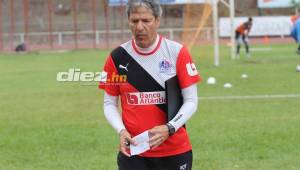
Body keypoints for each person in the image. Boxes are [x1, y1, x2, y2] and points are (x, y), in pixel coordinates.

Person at [99, 0, 201, 169]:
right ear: (129, 21)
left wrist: (170, 128)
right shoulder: (117, 57)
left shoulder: (177, 52)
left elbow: (191, 100)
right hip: (134, 151)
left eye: (146, 20)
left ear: (157, 20)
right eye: (134, 21)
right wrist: (121, 130)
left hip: (175, 151)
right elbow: (109, 103)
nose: (139, 27)